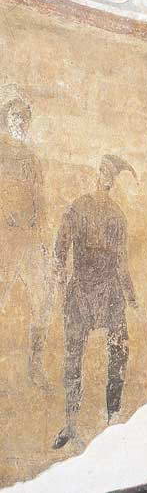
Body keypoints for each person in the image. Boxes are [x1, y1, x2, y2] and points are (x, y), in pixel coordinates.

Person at [52, 155, 138, 449]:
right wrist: (60, 278)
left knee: (119, 349)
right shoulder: (78, 207)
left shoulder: (117, 215)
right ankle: (70, 423)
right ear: (96, 175)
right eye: (102, 172)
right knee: (73, 354)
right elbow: (61, 246)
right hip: (81, 290)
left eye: (110, 176)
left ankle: (113, 417)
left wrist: (131, 295)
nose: (105, 179)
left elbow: (121, 261)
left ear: (113, 182)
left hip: (109, 290)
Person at [0, 88, 53, 390]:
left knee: (43, 298)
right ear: (5, 119)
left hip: (30, 241)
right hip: (5, 241)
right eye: (14, 116)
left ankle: (35, 366)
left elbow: (40, 203)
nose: (20, 121)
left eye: (24, 117)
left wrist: (42, 242)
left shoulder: (32, 159)